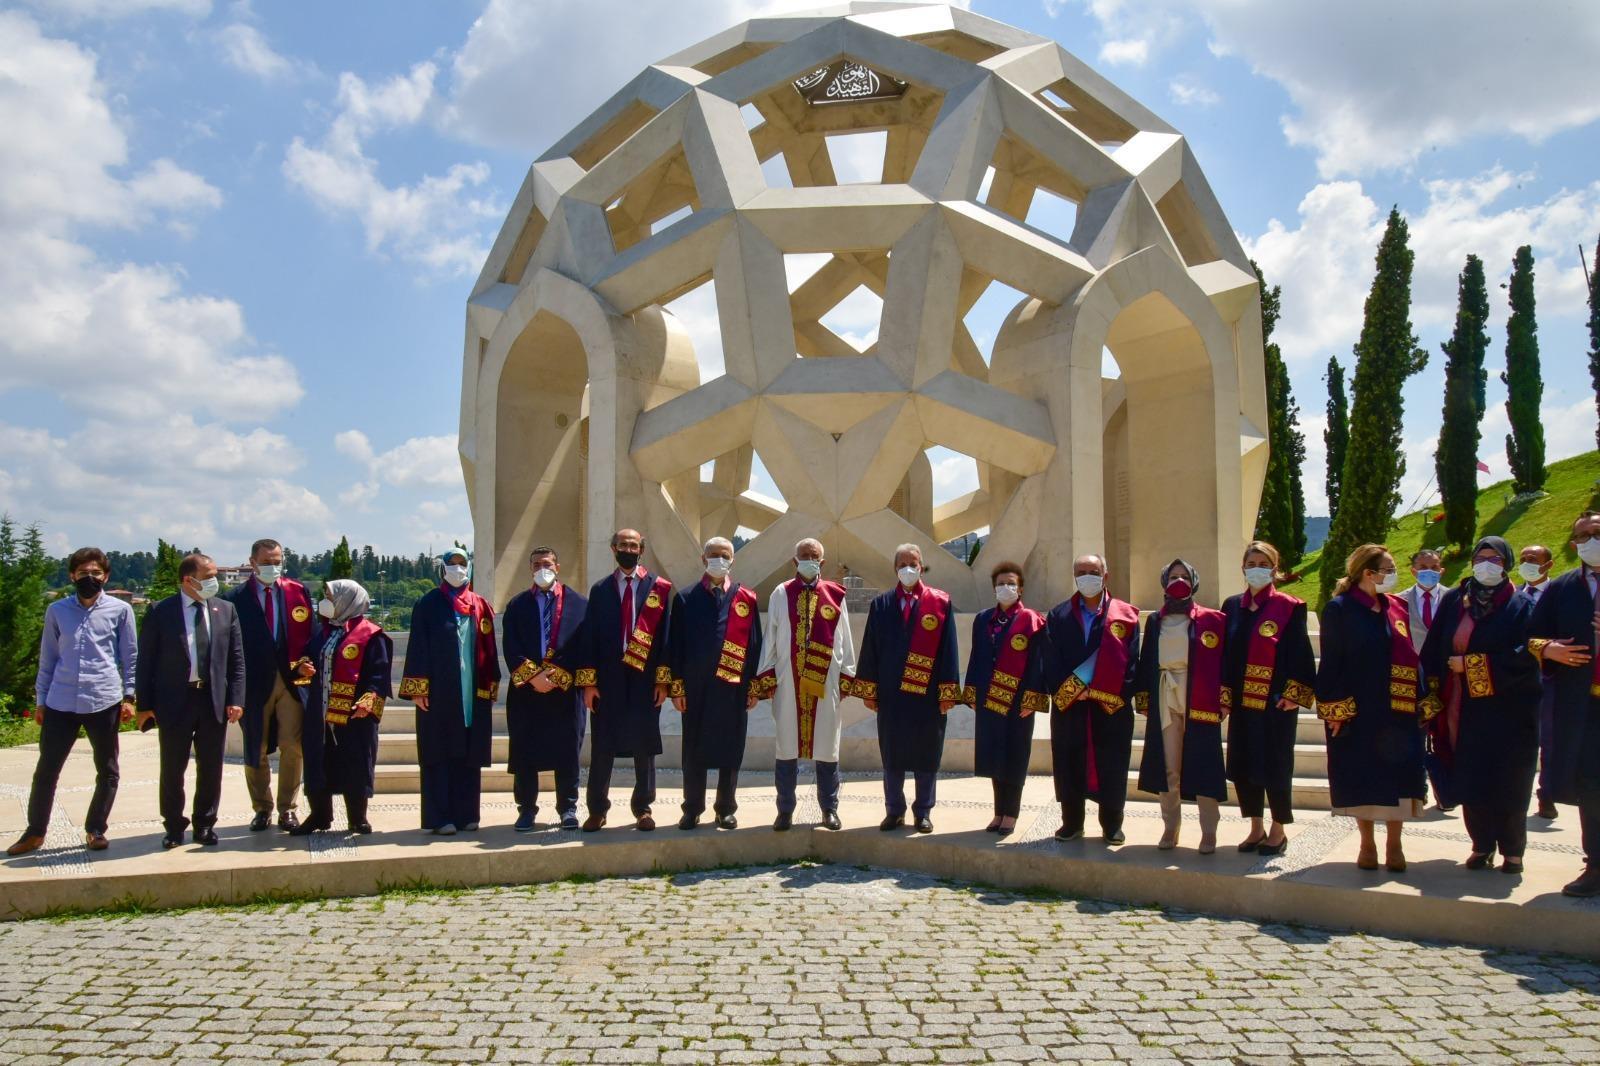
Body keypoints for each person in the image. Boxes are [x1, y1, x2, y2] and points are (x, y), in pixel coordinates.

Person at [1419, 537, 1539, 873]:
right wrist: (1430, 696)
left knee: (1509, 779)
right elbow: (1433, 649)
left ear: (1507, 564)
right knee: (1470, 773)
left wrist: (1472, 665)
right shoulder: (1456, 600)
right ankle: (1481, 844)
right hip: (1460, 706)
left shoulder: (1522, 605)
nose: (1487, 564)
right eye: (1481, 557)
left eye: (1496, 558)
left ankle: (1512, 850)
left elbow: (1526, 656)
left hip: (1509, 710)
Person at [7, 548, 136, 857]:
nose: (89, 578)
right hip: (60, 700)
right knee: (47, 770)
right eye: (82, 573)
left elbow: (130, 656)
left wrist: (130, 696)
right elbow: (48, 658)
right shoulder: (57, 611)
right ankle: (35, 832)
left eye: (95, 573)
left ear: (105, 576)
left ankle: (96, 829)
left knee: (107, 770)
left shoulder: (120, 610)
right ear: (72, 576)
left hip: (103, 698)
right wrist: (41, 700)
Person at [1315, 544, 1427, 873]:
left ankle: (1395, 843)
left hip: (1398, 708)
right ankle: (1367, 843)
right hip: (1359, 707)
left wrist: (1422, 700)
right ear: (1369, 573)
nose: (1393, 576)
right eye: (1388, 569)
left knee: (1401, 774)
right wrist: (1335, 709)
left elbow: (1412, 655)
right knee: (1359, 773)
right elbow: (1332, 661)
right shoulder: (1340, 609)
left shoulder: (1398, 607)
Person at [135, 554, 245, 849]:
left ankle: (205, 824)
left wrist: (236, 698)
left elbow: (236, 660)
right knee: (173, 767)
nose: (215, 581)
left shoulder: (226, 610)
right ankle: (173, 826)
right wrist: (143, 705)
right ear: (188, 580)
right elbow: (145, 661)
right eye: (208, 576)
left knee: (211, 766)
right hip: (175, 700)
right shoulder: (161, 611)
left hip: (213, 699)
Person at [855, 543, 960, 834]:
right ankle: (894, 811)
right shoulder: (882, 604)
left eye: (913, 563)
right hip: (891, 694)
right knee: (893, 754)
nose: (907, 568)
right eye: (902, 563)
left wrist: (947, 692)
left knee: (927, 754)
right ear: (894, 568)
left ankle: (923, 811)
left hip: (928, 695)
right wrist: (869, 691)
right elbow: (870, 650)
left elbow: (949, 650)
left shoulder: (940, 602)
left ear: (922, 565)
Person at [754, 538, 855, 831]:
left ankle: (829, 808)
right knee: (786, 745)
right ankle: (785, 809)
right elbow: (770, 636)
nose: (809, 559)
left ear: (822, 563)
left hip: (826, 680)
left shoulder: (836, 595)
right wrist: (767, 674)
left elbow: (845, 637)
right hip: (789, 681)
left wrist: (847, 674)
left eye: (814, 556)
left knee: (827, 746)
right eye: (804, 555)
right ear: (794, 561)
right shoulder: (780, 593)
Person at [576, 528, 673, 832]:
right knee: (603, 743)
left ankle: (643, 808)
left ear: (641, 549)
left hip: (645, 677)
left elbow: (667, 639)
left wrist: (662, 681)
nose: (627, 549)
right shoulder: (601, 589)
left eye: (633, 545)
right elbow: (588, 638)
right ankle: (597, 810)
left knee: (644, 745)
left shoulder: (659, 588)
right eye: (622, 544)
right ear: (613, 549)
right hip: (608, 677)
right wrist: (589, 684)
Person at [1223, 541, 1316, 856]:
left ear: (1275, 568)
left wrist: (1294, 694)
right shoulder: (1232, 606)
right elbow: (1225, 657)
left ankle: (1278, 829)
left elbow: (1301, 656)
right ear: (1243, 567)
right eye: (1252, 562)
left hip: (1275, 704)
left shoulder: (1289, 606)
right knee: (1244, 765)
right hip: (1242, 704)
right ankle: (1255, 827)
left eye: (1264, 562)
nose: (1257, 568)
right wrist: (1223, 696)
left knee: (1275, 765)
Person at [400, 547, 501, 835]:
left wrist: (490, 686)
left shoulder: (479, 605)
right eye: (451, 564)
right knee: (439, 750)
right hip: (440, 690)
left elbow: (490, 650)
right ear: (443, 568)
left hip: (472, 691)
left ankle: (467, 813)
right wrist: (418, 687)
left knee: (470, 751)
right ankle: (440, 816)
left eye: (462, 563)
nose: (457, 568)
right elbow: (418, 647)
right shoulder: (429, 604)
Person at [1526, 511, 1600, 896]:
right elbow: (1531, 637)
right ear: (1574, 545)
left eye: (1597, 533)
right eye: (1583, 536)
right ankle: (1596, 864)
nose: (1590, 540)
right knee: (1591, 785)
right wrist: (1549, 648)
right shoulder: (1564, 587)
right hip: (1583, 704)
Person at [1043, 553, 1140, 845]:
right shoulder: (1057, 615)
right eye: (1082, 571)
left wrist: (1099, 690)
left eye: (1093, 571)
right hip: (1069, 705)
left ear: (1105, 576)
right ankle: (1071, 822)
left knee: (1112, 762)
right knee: (1069, 762)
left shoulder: (1126, 615)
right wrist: (1073, 690)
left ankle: (1112, 824)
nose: (1088, 576)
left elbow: (1131, 662)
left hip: (1109, 706)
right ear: (1074, 577)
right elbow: (1050, 659)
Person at [1134, 559, 1229, 853]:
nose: (1179, 581)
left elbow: (1225, 663)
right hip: (1164, 691)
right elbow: (1146, 659)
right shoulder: (1155, 621)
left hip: (1197, 691)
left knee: (1203, 760)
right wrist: (1145, 700)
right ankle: (1170, 825)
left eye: (1184, 576)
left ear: (1194, 581)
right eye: (1173, 576)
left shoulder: (1212, 619)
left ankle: (1209, 830)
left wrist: (1224, 700)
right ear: (1164, 582)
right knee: (1169, 764)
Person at [668, 537, 762, 830]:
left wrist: (753, 688)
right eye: (713, 555)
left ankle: (725, 808)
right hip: (696, 689)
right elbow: (675, 647)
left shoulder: (746, 598)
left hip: (733, 688)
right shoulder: (685, 598)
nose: (718, 560)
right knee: (693, 750)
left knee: (730, 749)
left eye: (724, 555)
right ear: (703, 559)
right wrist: (677, 688)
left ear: (732, 560)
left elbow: (755, 645)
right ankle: (692, 808)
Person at [289, 580, 392, 836]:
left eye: (330, 597)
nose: (325, 601)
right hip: (320, 712)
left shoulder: (371, 635)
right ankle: (319, 816)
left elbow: (379, 676)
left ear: (347, 600)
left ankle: (357, 818)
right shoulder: (321, 631)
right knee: (317, 762)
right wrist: (302, 667)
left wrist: (368, 702)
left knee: (355, 762)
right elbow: (305, 657)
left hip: (354, 714)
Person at [225, 537, 312, 832]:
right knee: (256, 747)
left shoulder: (297, 592)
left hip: (291, 680)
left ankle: (288, 808)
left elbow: (310, 633)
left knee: (293, 745)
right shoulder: (235, 598)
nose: (272, 568)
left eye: (277, 562)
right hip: (253, 683)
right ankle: (262, 808)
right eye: (266, 563)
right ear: (252, 563)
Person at [502, 546, 588, 832]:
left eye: (547, 563)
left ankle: (568, 809)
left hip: (565, 692)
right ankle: (526, 809)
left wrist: (557, 676)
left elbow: (584, 646)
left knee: (567, 752)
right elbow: (510, 646)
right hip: (527, 692)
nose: (543, 568)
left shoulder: (579, 604)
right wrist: (533, 676)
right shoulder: (517, 605)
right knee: (525, 751)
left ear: (558, 566)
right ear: (530, 568)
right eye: (537, 564)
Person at [963, 562, 1047, 837]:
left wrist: (1032, 700)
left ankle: (1011, 814)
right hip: (989, 698)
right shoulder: (983, 619)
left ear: (1021, 588)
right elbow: (975, 658)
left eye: (1011, 583)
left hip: (1018, 702)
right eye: (1000, 584)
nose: (1006, 588)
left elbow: (1039, 664)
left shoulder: (1032, 620)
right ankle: (998, 812)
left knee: (1015, 756)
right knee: (993, 756)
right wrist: (971, 692)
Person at [1405, 548, 1455, 812]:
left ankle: (1447, 791)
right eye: (1422, 566)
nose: (1429, 571)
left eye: (1434, 567)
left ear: (1441, 570)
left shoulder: (1455, 598)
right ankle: (1419, 789)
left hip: (1448, 675)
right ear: (1413, 570)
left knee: (1447, 734)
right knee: (1417, 734)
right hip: (1415, 677)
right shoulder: (1399, 601)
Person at [1520, 543, 1560, 820]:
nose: (1527, 563)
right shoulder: (1512, 596)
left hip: (1551, 676)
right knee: (1521, 739)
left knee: (1549, 737)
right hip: (1518, 680)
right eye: (1523, 559)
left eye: (1533, 559)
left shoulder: (1561, 594)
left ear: (1548, 565)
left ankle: (1547, 793)